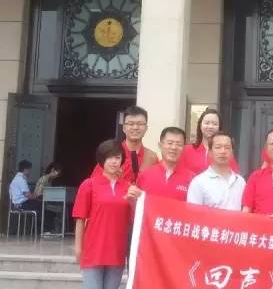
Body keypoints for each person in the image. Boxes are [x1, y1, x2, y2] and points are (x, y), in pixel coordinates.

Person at [73, 139, 140, 289]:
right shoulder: (89, 185)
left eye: (117, 157)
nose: (114, 161)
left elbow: (136, 218)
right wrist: (78, 248)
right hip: (93, 250)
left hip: (116, 251)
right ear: (102, 160)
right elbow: (80, 219)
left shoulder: (128, 187)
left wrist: (134, 201)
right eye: (109, 157)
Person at [91, 106, 158, 183]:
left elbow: (156, 184)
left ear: (146, 128)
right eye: (131, 124)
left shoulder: (152, 157)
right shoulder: (110, 153)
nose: (135, 127)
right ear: (124, 128)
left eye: (140, 124)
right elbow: (94, 184)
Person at [187, 132, 246, 211]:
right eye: (218, 147)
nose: (223, 151)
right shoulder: (199, 182)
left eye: (227, 147)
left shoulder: (240, 182)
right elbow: (192, 213)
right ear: (210, 152)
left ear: (232, 153)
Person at [137, 127, 194, 201]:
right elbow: (138, 204)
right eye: (170, 143)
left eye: (179, 144)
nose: (174, 147)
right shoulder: (145, 175)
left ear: (183, 147)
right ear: (160, 145)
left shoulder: (192, 179)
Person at [179, 108, 240, 176]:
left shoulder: (225, 152)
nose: (210, 126)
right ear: (200, 125)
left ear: (219, 127)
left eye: (215, 124)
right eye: (207, 123)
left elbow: (234, 176)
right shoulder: (186, 150)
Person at [9, 159, 52, 231]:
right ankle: (41, 230)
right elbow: (28, 195)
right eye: (29, 170)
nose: (30, 172)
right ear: (25, 170)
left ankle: (38, 229)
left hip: (19, 203)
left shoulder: (17, 178)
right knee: (41, 205)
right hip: (21, 204)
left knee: (39, 204)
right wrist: (37, 195)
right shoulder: (21, 179)